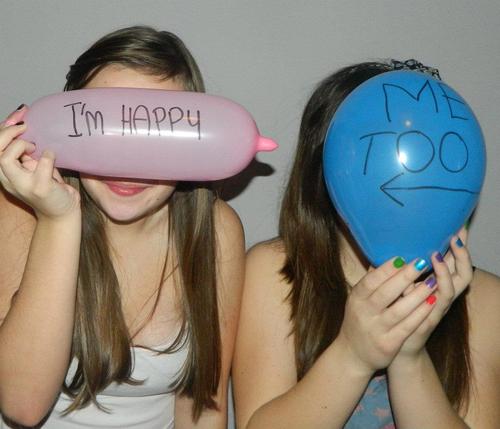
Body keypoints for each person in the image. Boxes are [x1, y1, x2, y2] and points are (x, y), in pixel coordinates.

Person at [0, 26, 244, 428]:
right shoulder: (19, 214)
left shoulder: (216, 230)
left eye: (155, 139)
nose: (128, 168)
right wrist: (59, 221)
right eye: (106, 132)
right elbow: (22, 406)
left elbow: (202, 403)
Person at [233, 60, 500, 428]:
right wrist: (353, 354)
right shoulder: (274, 273)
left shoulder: (485, 300)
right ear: (329, 171)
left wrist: (409, 356)